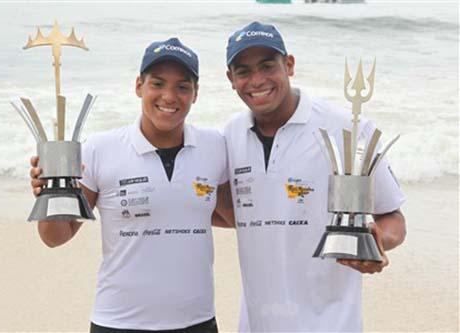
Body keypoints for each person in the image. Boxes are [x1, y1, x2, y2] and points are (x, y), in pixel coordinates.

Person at [30, 37, 234, 333]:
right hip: (118, 322)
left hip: (197, 322)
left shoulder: (215, 146)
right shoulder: (100, 149)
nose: (169, 96)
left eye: (182, 86)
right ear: (139, 85)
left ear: (196, 93)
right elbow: (55, 237)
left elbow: (236, 216)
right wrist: (52, 192)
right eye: (158, 83)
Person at [222, 21, 406, 332]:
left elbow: (393, 219)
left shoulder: (348, 128)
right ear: (231, 79)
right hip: (255, 325)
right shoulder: (229, 135)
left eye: (267, 66)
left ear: (289, 65)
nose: (257, 80)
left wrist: (377, 243)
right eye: (243, 71)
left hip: (332, 324)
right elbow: (226, 211)